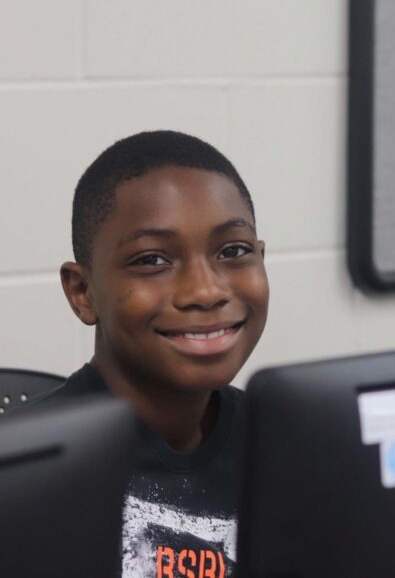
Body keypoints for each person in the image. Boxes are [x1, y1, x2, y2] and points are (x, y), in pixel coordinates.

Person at [34, 130, 269, 578]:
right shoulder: (28, 474)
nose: (205, 291)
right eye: (152, 260)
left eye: (233, 251)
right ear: (83, 292)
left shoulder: (289, 449)